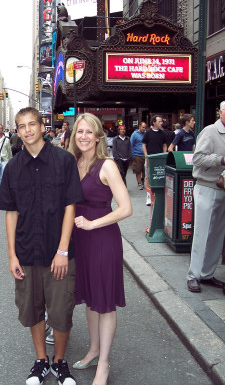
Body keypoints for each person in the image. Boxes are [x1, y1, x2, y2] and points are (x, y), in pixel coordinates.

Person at [0, 107, 83, 385]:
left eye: (32, 124)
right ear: (18, 131)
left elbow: (70, 206)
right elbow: (11, 212)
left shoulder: (64, 161)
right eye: (22, 126)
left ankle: (59, 361)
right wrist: (12, 255)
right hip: (26, 251)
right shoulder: (12, 167)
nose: (28, 130)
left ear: (43, 127)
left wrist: (62, 250)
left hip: (57, 252)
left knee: (60, 311)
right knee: (32, 308)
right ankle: (41, 360)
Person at [68, 113, 132, 385]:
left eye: (88, 132)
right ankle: (94, 349)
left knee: (104, 303)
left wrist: (93, 224)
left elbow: (127, 208)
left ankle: (103, 363)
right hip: (80, 242)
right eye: (79, 132)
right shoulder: (74, 162)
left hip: (103, 241)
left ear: (97, 136)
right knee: (91, 299)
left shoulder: (107, 165)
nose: (83, 136)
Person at [186, 101, 225, 293]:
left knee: (217, 234)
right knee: (202, 233)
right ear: (222, 113)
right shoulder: (210, 131)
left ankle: (207, 274)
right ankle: (193, 275)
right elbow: (198, 158)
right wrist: (221, 159)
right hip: (207, 186)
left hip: (222, 189)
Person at [142, 115, 167, 206]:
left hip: (159, 158)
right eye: (159, 121)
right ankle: (148, 196)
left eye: (161, 121)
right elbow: (144, 144)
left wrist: (164, 154)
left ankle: (158, 194)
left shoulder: (162, 133)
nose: (161, 123)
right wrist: (146, 156)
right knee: (148, 176)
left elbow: (165, 145)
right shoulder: (148, 132)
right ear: (154, 122)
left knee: (159, 175)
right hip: (150, 157)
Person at [130, 122, 147, 190]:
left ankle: (143, 180)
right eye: (143, 127)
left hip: (145, 155)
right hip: (137, 154)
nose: (144, 129)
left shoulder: (146, 134)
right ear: (139, 126)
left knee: (144, 170)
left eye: (145, 127)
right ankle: (139, 183)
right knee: (138, 170)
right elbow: (131, 144)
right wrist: (133, 155)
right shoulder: (134, 134)